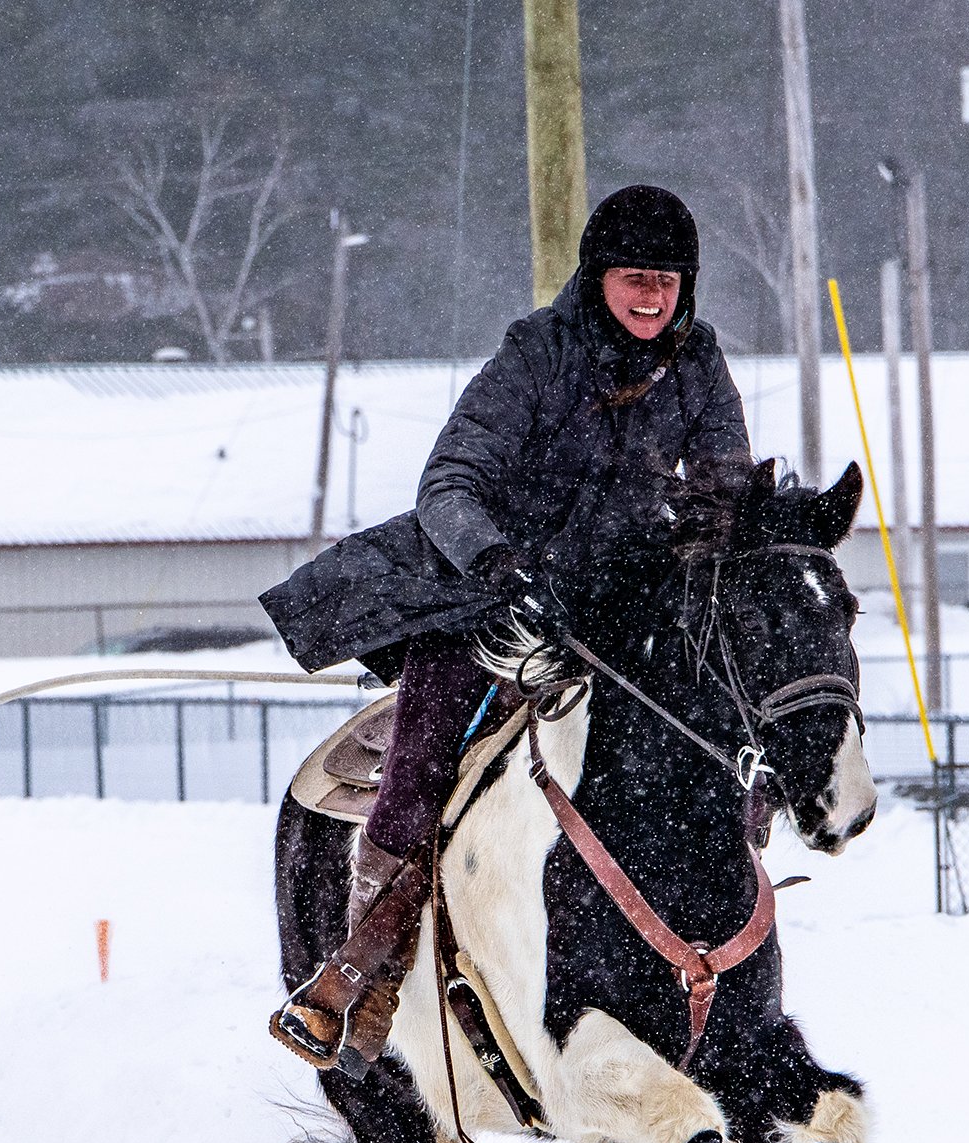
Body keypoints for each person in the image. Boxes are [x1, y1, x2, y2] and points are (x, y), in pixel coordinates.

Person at [265, 186, 754, 1076]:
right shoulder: (536, 353)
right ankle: (363, 968)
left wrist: (722, 533)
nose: (652, 297)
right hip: (505, 595)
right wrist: (497, 565)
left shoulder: (701, 360)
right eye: (634, 279)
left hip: (628, 603)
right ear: (597, 279)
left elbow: (727, 480)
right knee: (424, 745)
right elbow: (447, 482)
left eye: (669, 282)